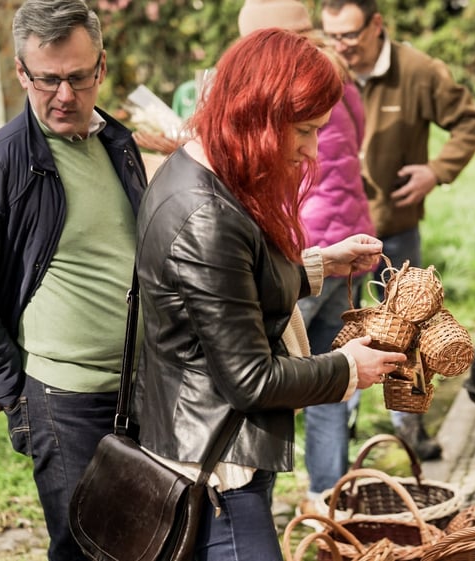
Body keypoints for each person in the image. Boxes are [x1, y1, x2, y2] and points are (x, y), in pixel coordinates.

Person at [132, 28, 407, 561]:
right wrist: (348, 368)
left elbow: (225, 286)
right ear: (255, 114)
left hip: (212, 451)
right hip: (215, 474)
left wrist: (319, 264)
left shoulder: (197, 167)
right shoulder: (206, 216)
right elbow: (251, 381)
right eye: (302, 131)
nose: (310, 152)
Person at [0, 1, 148, 559]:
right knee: (87, 548)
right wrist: (14, 394)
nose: (65, 96)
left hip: (142, 389)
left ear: (101, 67)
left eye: (78, 77)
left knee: (150, 542)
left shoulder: (118, 144)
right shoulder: (0, 164)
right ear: (21, 72)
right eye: (47, 79)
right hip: (63, 402)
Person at [320, 0, 475, 460]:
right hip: (334, 237)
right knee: (346, 330)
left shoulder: (417, 71)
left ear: (377, 25)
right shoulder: (324, 69)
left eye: (349, 36)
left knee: (410, 331)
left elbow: (471, 121)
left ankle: (410, 427)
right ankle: (344, 425)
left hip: (392, 229)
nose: (340, 47)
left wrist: (436, 171)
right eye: (331, 35)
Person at [237, 0, 377, 515]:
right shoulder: (339, 79)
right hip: (339, 238)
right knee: (333, 371)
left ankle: (282, 494)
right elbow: (355, 143)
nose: (311, 149)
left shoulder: (281, 94)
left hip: (304, 244)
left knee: (312, 373)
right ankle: (329, 498)